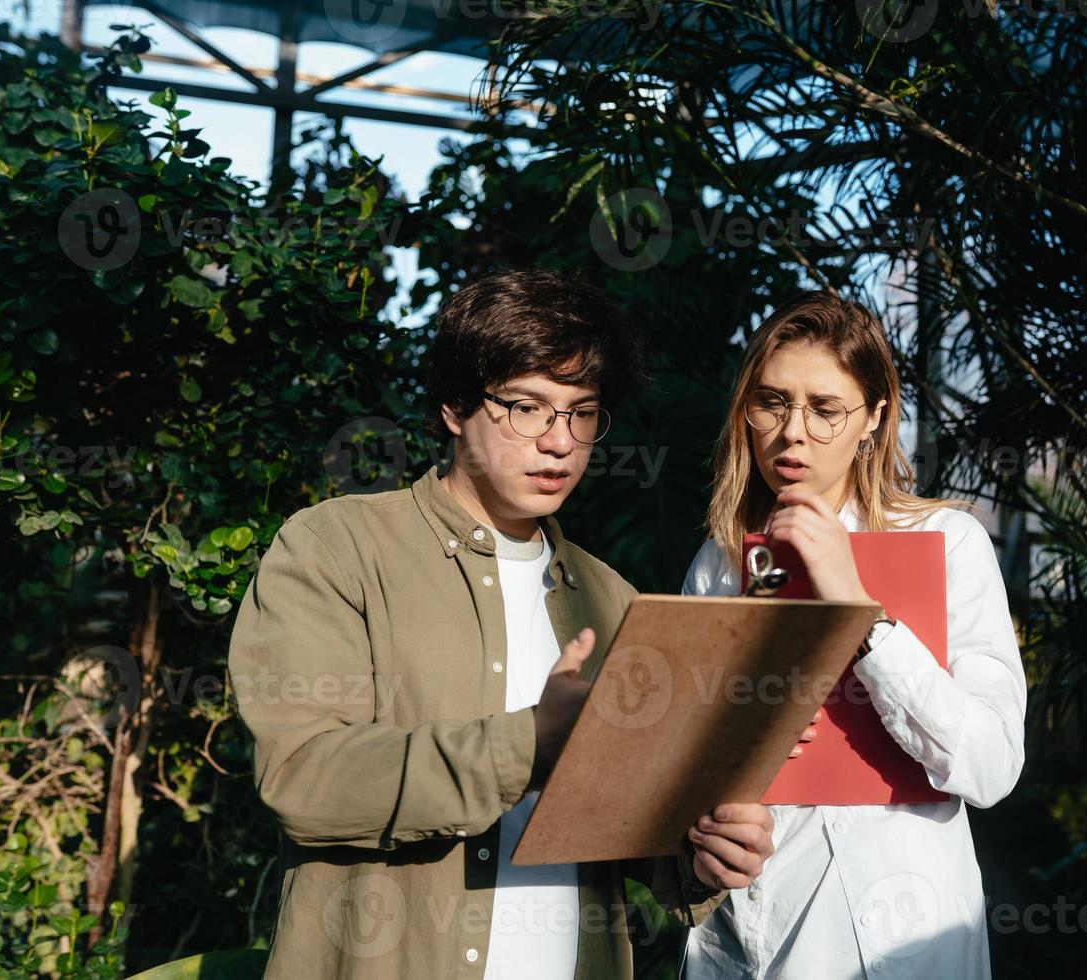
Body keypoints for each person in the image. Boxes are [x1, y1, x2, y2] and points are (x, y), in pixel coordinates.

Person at [229, 268, 775, 979]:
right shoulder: (336, 548)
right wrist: (530, 744)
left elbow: (625, 831)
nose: (558, 442)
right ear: (455, 406)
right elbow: (303, 778)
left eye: (581, 413)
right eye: (526, 407)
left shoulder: (610, 599)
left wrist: (700, 853)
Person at [679, 292, 1027, 978]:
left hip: (901, 938)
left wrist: (859, 611)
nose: (792, 431)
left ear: (873, 418)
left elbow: (992, 766)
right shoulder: (719, 565)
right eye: (771, 402)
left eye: (825, 408)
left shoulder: (946, 544)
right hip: (754, 931)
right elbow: (689, 768)